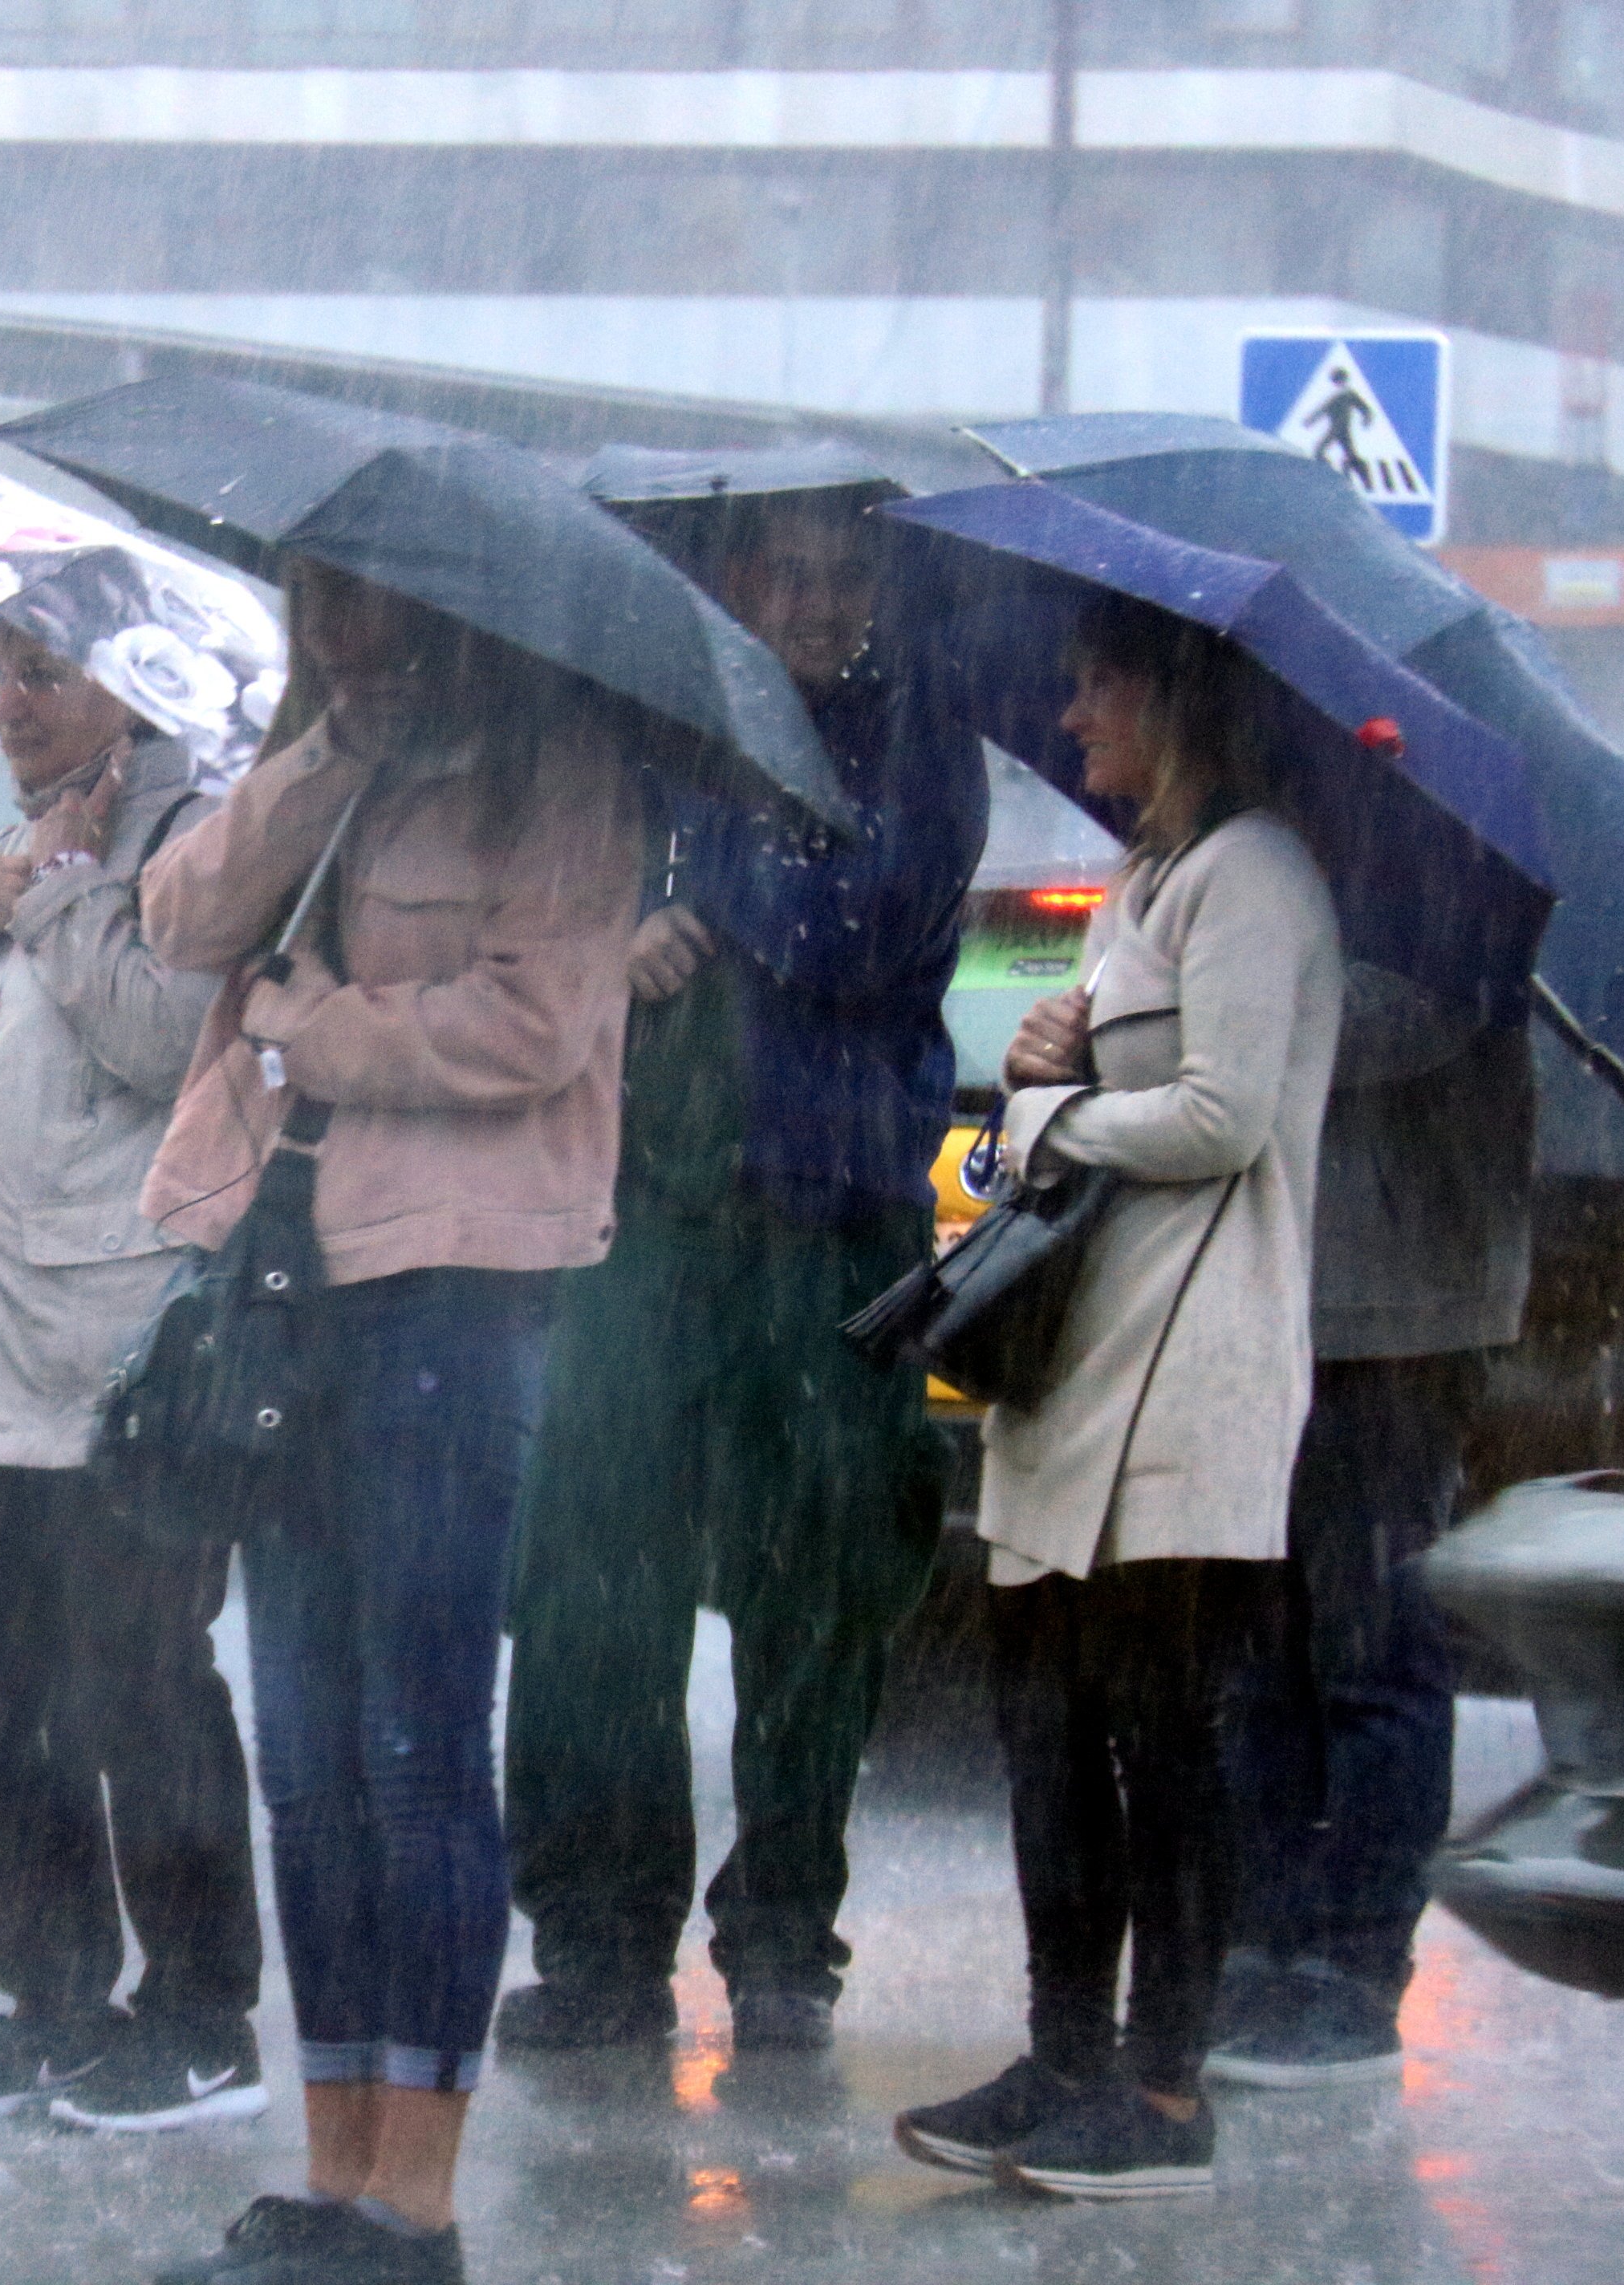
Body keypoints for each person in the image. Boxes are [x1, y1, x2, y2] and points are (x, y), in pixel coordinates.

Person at [136, 562, 644, 2285]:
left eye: (370, 597)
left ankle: (412, 2200)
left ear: (450, 597)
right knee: (307, 1754)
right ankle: (333, 2162)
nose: (339, 620)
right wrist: (325, 754)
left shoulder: (556, 766)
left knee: (420, 1747)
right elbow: (184, 916)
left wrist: (319, 1033)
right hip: (290, 1284)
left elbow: (538, 1018)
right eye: (315, 593)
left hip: (457, 1281)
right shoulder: (326, 752)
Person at [497, 483, 985, 2064]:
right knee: (592, 1593)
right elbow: (539, 925)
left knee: (818, 1594)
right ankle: (594, 1940)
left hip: (833, 1219)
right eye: (793, 570)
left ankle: (782, 1940)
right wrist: (617, 931)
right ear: (728, 582)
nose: (827, 600)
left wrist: (712, 871)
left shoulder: (919, 734)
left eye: (853, 574)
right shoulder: (626, 722)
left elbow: (870, 918)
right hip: (633, 1213)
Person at [893, 595, 1340, 2199]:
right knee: (1050, 1736)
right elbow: (1098, 1098)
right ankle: (1062, 2050)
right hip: (1079, 1362)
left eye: (1099, 686)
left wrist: (1065, 1113)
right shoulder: (1144, 879)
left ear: (1179, 695)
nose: (1074, 714)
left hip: (1194, 1363)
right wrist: (1042, 1068)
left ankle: (1161, 2092)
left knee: (1162, 1735)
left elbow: (1222, 1115)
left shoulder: (1258, 874)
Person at [0, 611, 265, 2133]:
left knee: (142, 1689)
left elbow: (172, 1040)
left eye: (45, 672)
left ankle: (203, 2014)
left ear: (125, 685)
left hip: (116, 1364)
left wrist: (68, 898)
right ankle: (50, 2001)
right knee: (4, 1703)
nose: (12, 703)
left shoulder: (190, 844)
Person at [1208, 981, 1530, 2084]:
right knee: (1260, 1652)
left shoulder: (1444, 858)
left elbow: (1426, 1013)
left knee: (1370, 1648)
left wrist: (1245, 996)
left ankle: (1352, 1970)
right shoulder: (1319, 824)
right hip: (1278, 1283)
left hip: (1399, 1298)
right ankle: (1258, 1945)